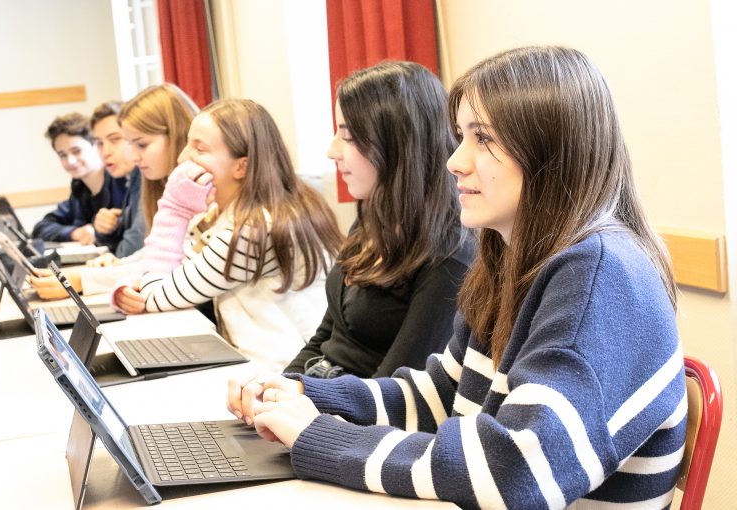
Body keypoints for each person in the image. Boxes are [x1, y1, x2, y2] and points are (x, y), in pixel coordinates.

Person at [227, 46, 686, 509]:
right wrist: (312, 395)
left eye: (482, 138)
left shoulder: (599, 274)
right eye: (460, 136)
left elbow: (517, 472)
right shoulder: (512, 259)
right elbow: (442, 395)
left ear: (552, 149)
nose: (455, 161)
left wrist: (319, 437)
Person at [113, 99, 343, 371]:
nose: (182, 158)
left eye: (199, 148)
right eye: (188, 143)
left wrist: (174, 210)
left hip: (282, 374)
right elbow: (173, 273)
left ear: (241, 167)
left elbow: (156, 297)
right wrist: (132, 289)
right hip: (260, 365)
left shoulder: (255, 230)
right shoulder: (231, 215)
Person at [283, 61, 474, 379]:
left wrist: (301, 404)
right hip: (323, 395)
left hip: (359, 417)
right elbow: (327, 337)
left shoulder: (451, 254)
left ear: (398, 145)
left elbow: (397, 390)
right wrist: (279, 390)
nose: (332, 151)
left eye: (347, 136)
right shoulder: (372, 219)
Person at [30, 84, 198, 300]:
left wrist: (85, 278)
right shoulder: (83, 186)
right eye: (100, 143)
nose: (134, 156)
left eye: (140, 144)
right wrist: (116, 263)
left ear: (175, 134)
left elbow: (169, 260)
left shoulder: (193, 185)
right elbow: (155, 251)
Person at [32, 112, 123, 244]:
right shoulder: (79, 188)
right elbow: (42, 227)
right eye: (62, 155)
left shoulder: (120, 182)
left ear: (97, 146)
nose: (70, 161)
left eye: (76, 151)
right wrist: (75, 233)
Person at [90, 100, 145, 258]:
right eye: (99, 143)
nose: (105, 152)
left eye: (115, 139)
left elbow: (129, 252)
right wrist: (104, 231)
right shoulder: (126, 178)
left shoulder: (144, 176)